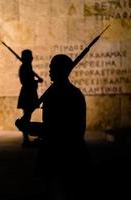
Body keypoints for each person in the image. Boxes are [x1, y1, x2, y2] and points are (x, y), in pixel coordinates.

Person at [35, 54, 90, 199]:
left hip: (65, 152)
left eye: (53, 68)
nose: (49, 71)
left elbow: (59, 128)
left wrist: (31, 128)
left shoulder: (66, 94)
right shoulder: (68, 93)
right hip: (57, 149)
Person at [17, 49, 43, 147]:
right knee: (26, 116)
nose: (32, 58)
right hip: (27, 93)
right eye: (30, 56)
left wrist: (36, 81)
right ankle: (25, 139)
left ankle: (26, 138)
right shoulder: (24, 67)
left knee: (27, 116)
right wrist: (36, 81)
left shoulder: (27, 67)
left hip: (29, 93)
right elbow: (25, 82)